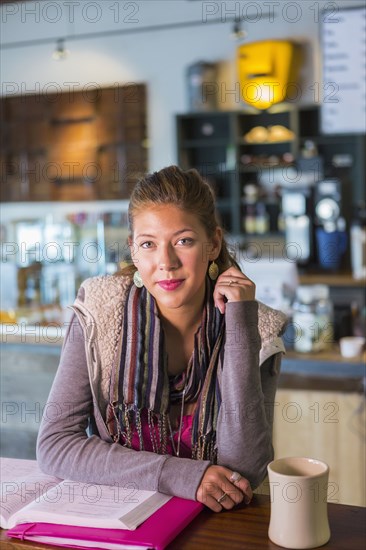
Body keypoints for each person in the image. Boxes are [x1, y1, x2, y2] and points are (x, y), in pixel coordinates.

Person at [37, 165, 287, 513]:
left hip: (214, 526)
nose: (165, 263)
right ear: (133, 251)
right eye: (148, 245)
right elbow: (56, 445)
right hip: (115, 517)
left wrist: (240, 324)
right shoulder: (99, 311)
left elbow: (245, 469)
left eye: (183, 241)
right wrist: (181, 476)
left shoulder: (258, 327)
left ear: (212, 243)